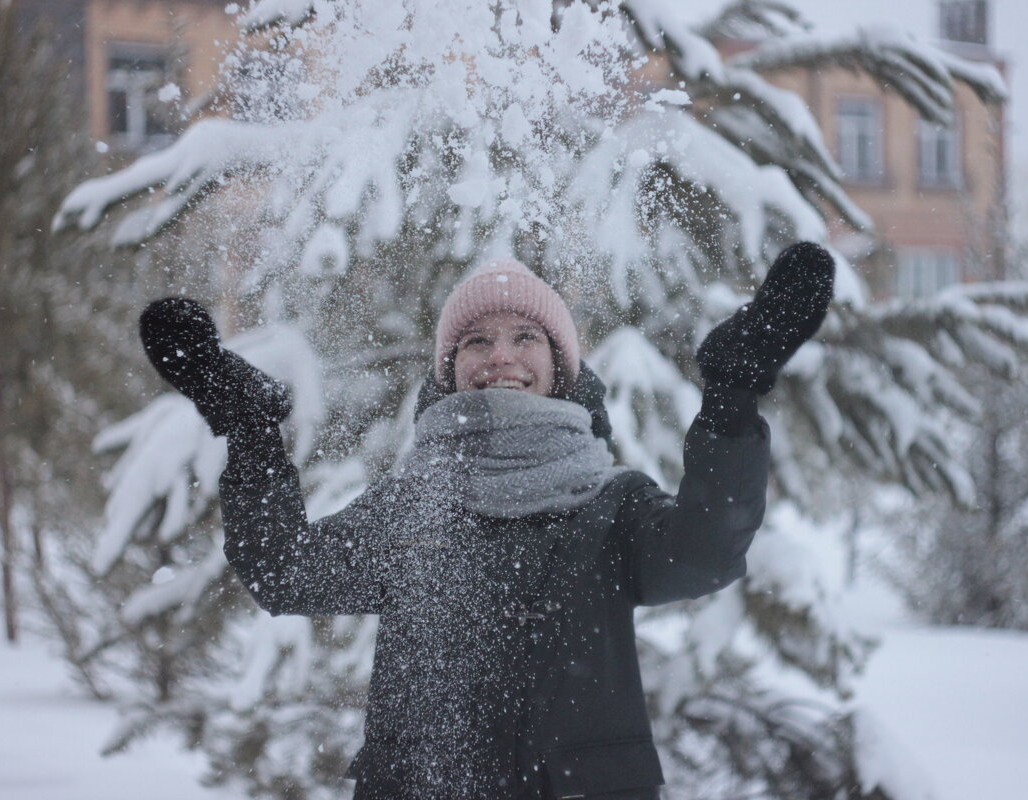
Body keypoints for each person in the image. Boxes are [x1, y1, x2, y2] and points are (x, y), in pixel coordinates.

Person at [138, 242, 835, 800]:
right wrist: (249, 430)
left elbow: (706, 551)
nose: (500, 356)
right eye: (476, 342)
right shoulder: (412, 506)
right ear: (449, 370)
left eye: (525, 336)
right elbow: (287, 573)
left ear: (560, 366)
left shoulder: (610, 501)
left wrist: (732, 395)